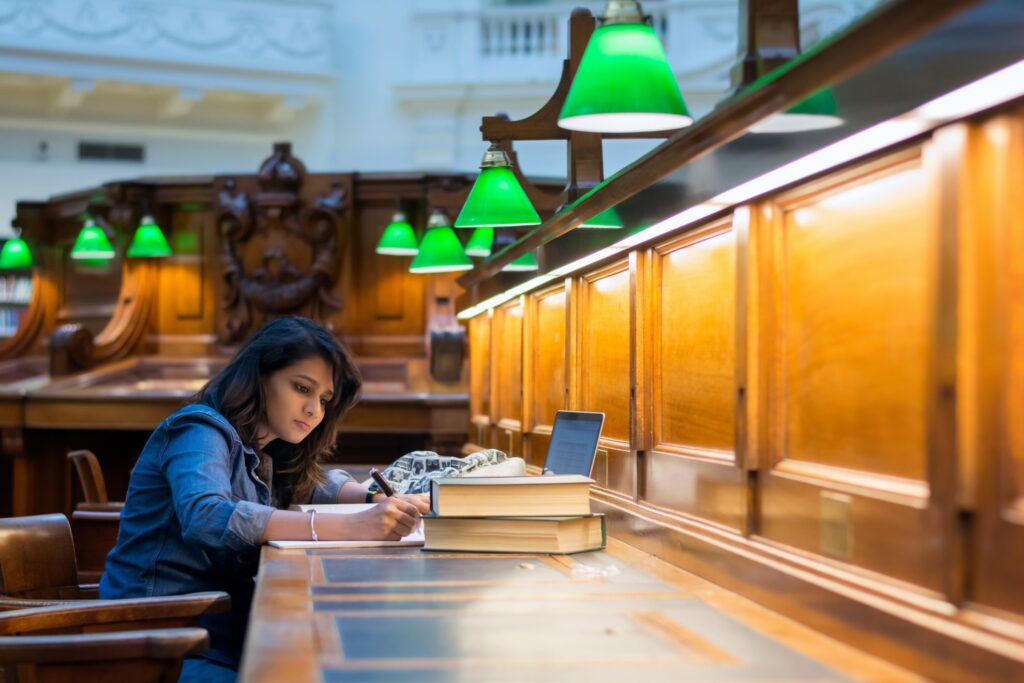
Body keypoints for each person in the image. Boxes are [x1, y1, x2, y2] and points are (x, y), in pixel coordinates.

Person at [99, 317, 428, 682]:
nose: (314, 411)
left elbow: (309, 486)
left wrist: (373, 496)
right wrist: (353, 524)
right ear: (259, 376)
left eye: (323, 400)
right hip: (159, 643)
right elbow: (207, 516)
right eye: (302, 388)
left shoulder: (265, 449)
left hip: (217, 634)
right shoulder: (197, 429)